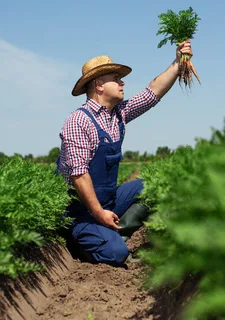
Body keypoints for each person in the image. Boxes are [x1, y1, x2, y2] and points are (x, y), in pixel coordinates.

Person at [56, 40, 193, 266]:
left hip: (108, 201)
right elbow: (79, 175)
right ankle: (87, 239)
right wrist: (99, 213)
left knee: (155, 186)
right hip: (80, 210)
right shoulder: (79, 121)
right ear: (99, 84)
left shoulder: (117, 114)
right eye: (116, 79)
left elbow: (152, 93)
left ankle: (118, 232)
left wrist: (178, 63)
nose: (122, 83)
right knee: (116, 254)